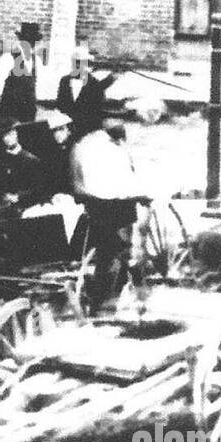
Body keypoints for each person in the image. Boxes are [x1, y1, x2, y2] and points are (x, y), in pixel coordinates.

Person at [71, 105, 150, 311]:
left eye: (120, 119)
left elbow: (128, 174)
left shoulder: (116, 143)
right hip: (107, 206)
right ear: (103, 121)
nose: (119, 123)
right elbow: (93, 182)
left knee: (118, 254)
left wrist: (138, 192)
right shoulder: (93, 146)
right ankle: (105, 302)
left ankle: (113, 296)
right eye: (114, 119)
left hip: (118, 205)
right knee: (114, 254)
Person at [56, 43, 116, 141]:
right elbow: (61, 105)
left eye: (82, 62)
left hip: (88, 133)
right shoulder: (65, 81)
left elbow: (97, 112)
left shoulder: (94, 84)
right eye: (76, 62)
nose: (78, 66)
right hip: (68, 132)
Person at [0, 123, 44, 209]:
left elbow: (38, 189)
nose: (8, 138)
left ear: (16, 134)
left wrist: (18, 197)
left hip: (24, 207)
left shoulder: (31, 160)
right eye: (4, 136)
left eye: (10, 134)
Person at [0, 23, 41, 131]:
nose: (30, 44)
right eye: (26, 40)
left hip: (28, 118)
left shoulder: (35, 60)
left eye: (32, 41)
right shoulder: (9, 58)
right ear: (21, 40)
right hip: (10, 117)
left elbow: (34, 87)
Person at [39, 110, 75, 198]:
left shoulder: (75, 151)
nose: (58, 134)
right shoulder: (50, 154)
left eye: (61, 129)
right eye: (55, 130)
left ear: (69, 131)